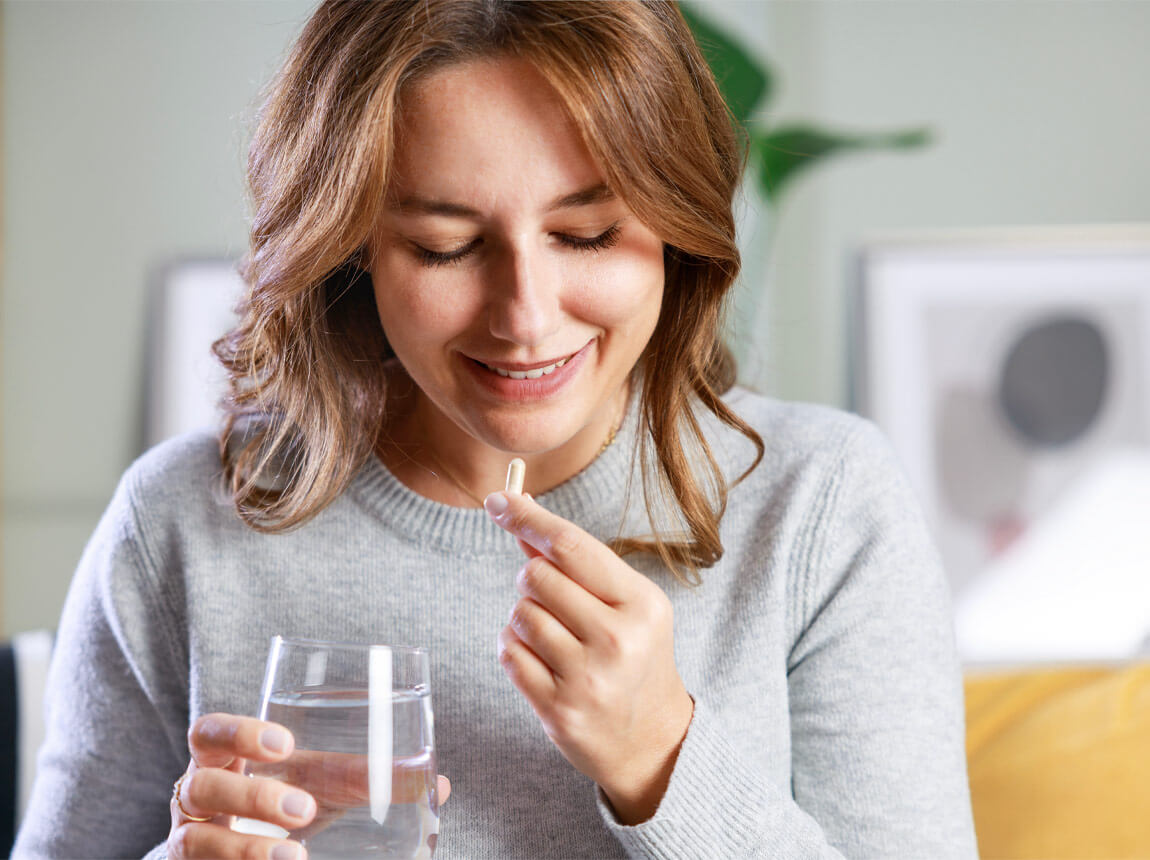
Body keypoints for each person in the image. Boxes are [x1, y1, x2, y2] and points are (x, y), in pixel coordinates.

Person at [15, 1, 977, 857]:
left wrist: (660, 758)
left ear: (679, 227)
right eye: (445, 247)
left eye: (588, 235)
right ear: (352, 246)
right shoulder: (182, 526)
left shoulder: (822, 504)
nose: (524, 315)